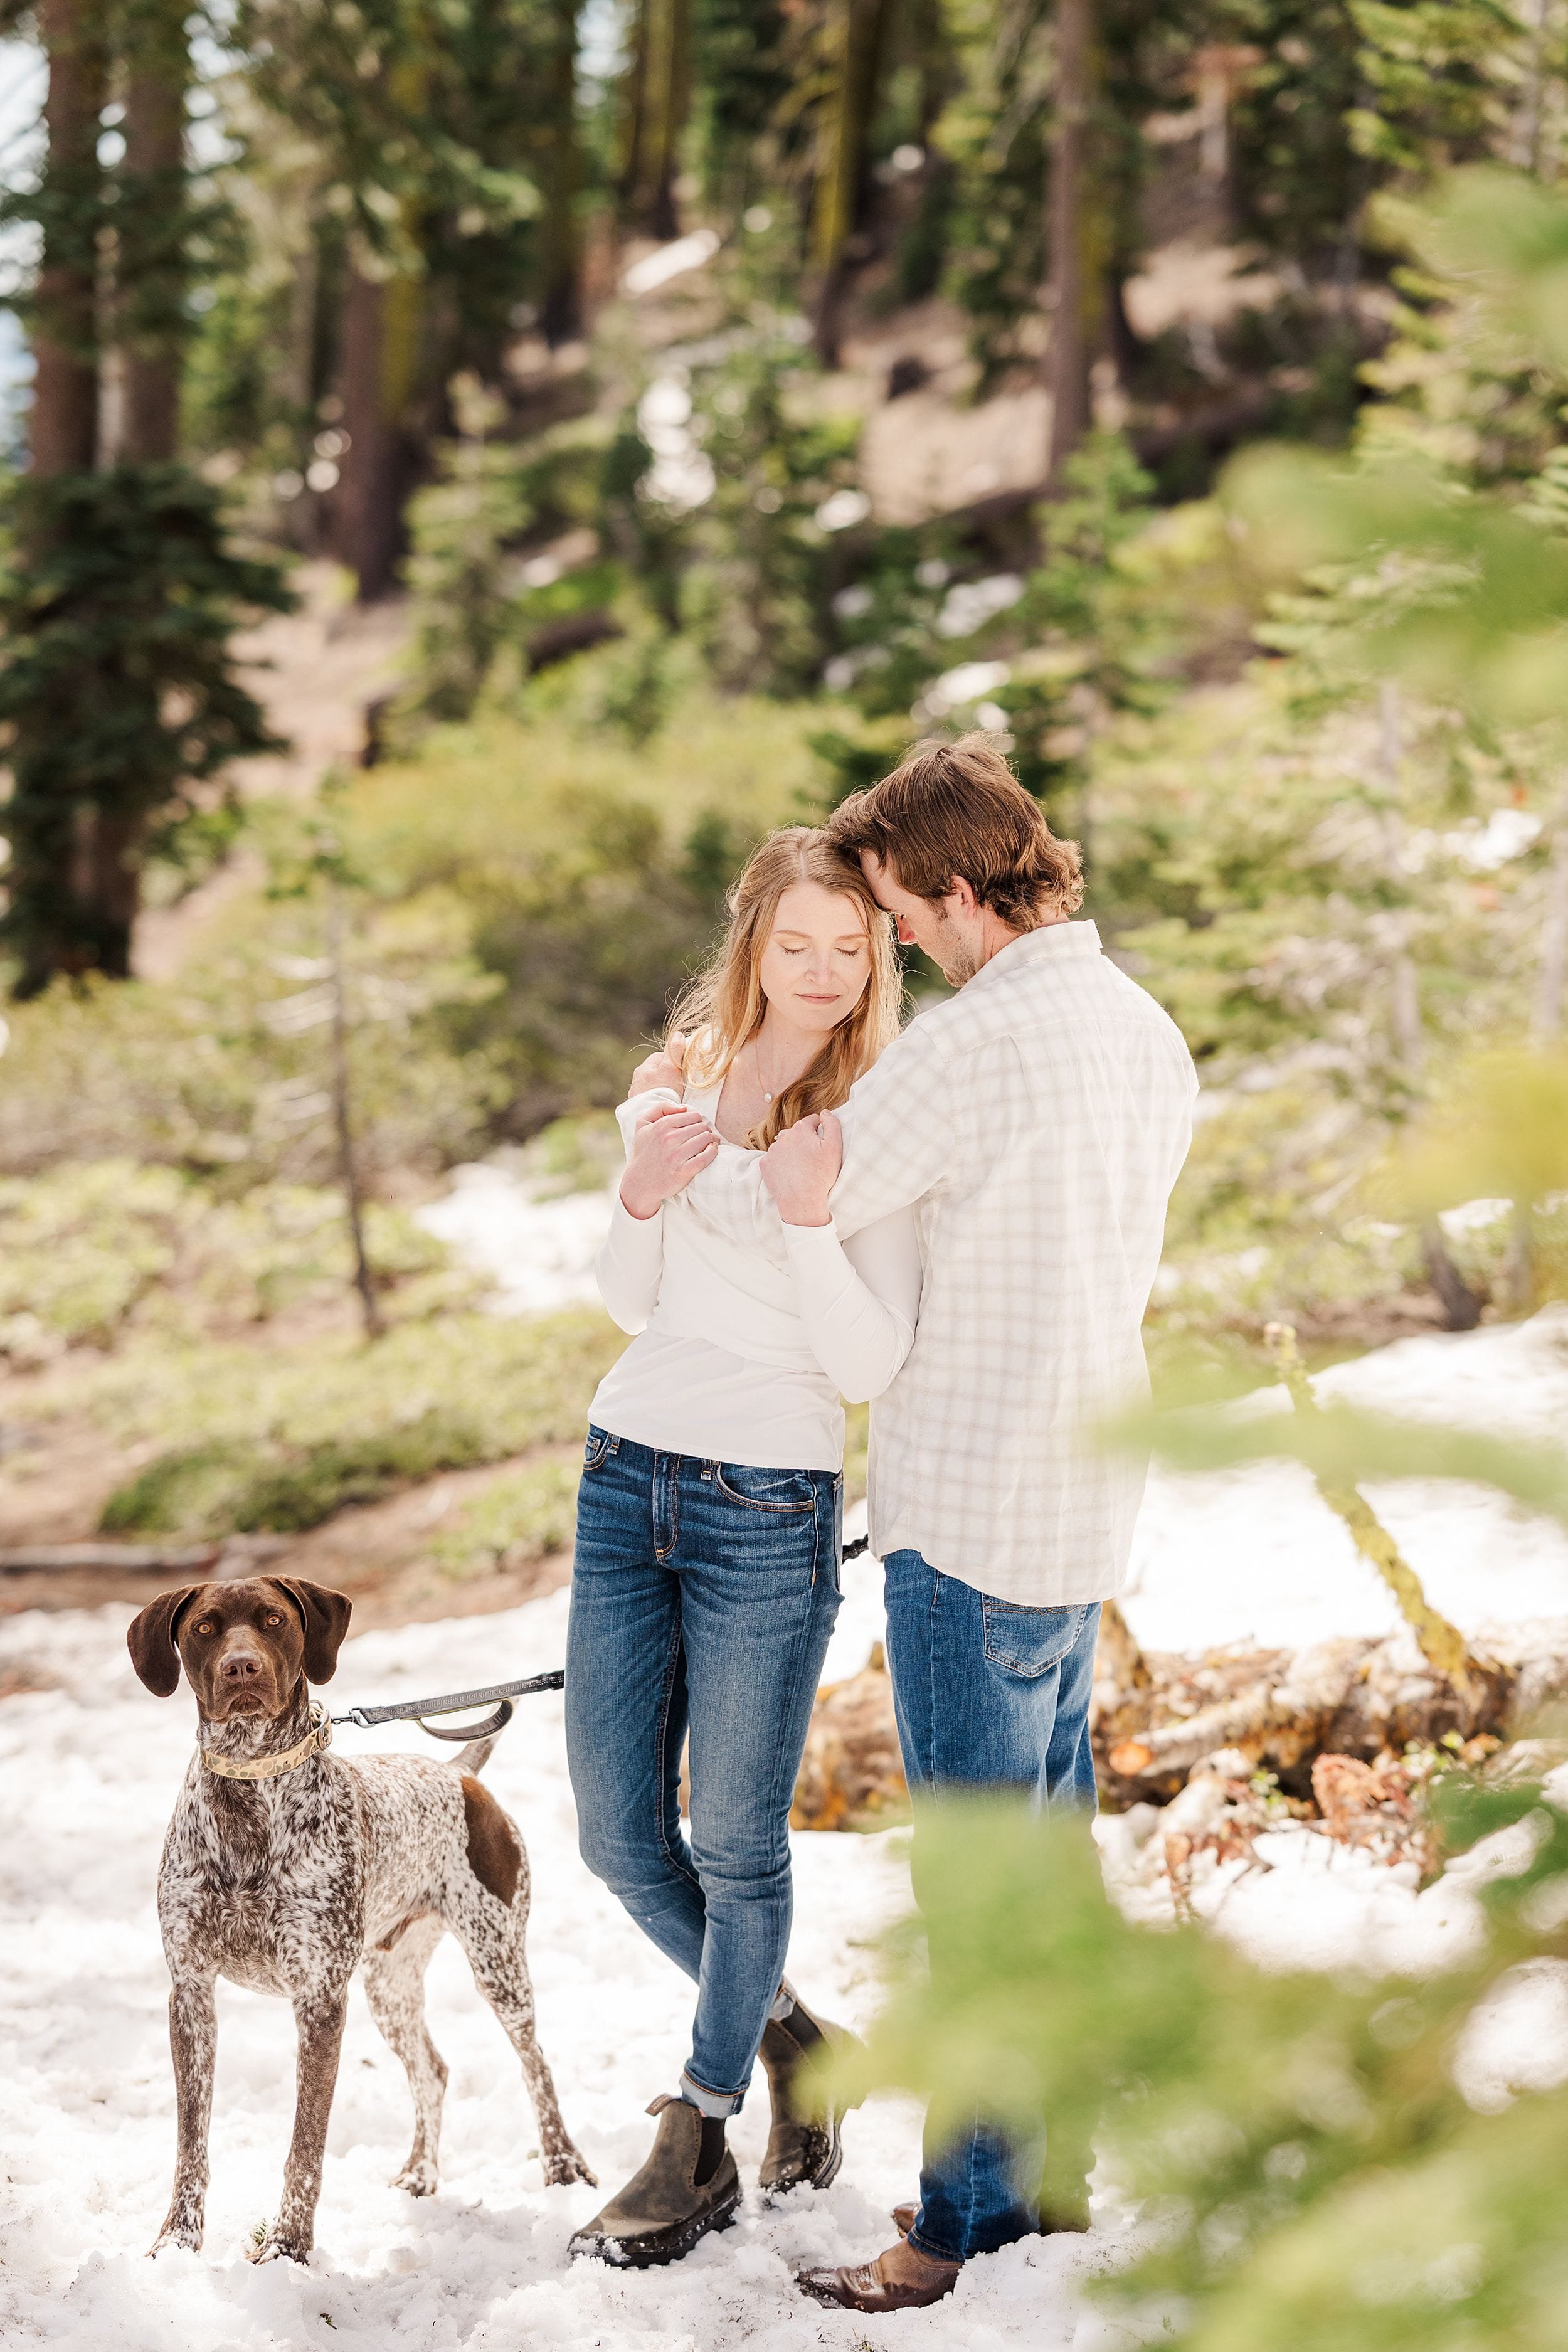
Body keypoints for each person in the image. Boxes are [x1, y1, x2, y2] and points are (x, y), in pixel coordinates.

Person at [654, 734, 1199, 2313]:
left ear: (956, 892)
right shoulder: (1141, 1028)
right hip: (1086, 1495)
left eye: (892, 908)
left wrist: (706, 1125)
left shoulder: (967, 1051)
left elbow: (795, 1201)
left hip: (964, 1503)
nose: (885, 936)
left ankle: (953, 2227)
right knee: (1044, 1865)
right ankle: (1048, 2178)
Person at [564, 826, 924, 2270]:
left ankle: (696, 2124)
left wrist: (810, 1224)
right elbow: (623, 1297)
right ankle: (795, 2042)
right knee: (613, 1835)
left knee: (733, 1841)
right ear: (751, 940)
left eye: (851, 949)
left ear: (879, 954)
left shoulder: (883, 1111)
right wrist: (640, 1191)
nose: (825, 974)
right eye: (798, 946)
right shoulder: (677, 1082)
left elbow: (861, 1363)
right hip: (621, 1472)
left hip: (768, 1501)